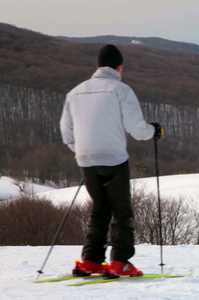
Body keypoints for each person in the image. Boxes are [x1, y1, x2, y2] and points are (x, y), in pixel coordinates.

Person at [60, 44, 163, 278]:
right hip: (114, 158)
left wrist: (84, 151)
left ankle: (91, 261)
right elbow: (137, 130)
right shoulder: (121, 90)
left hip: (86, 159)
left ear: (97, 66)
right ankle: (120, 262)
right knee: (122, 211)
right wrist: (154, 131)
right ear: (119, 67)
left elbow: (67, 133)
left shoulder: (75, 92)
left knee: (99, 210)